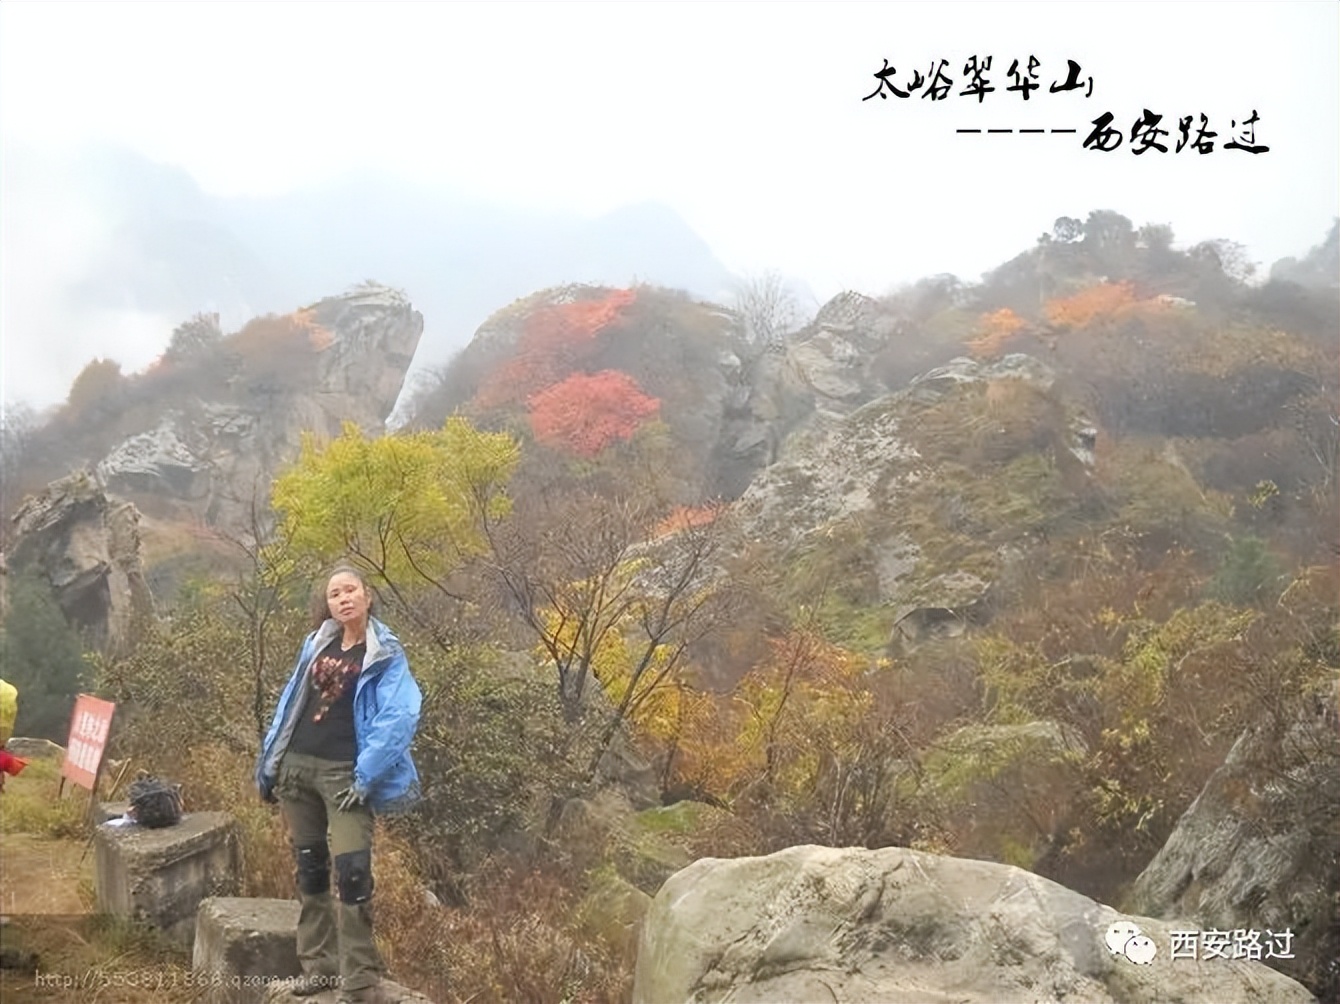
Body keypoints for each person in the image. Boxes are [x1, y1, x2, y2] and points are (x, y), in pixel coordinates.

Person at [256, 564, 421, 1004]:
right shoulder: (317, 642)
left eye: (351, 590)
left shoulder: (385, 653)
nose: (343, 598)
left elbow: (399, 718)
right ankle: (319, 967)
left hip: (344, 774)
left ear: (368, 596)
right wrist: (271, 766)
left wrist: (366, 776)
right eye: (334, 593)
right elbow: (290, 705)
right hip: (298, 769)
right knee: (310, 870)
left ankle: (360, 980)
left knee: (352, 875)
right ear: (326, 604)